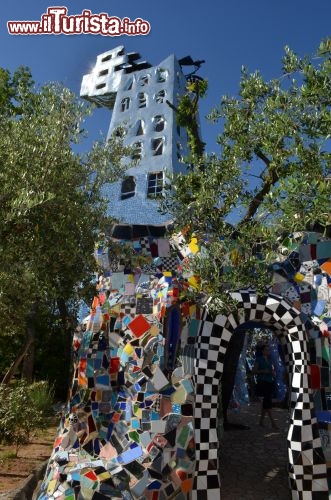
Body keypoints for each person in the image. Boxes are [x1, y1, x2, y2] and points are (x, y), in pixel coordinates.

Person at [253, 344, 278, 429]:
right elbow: (254, 371)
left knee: (266, 403)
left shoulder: (270, 360)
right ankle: (273, 422)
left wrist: (273, 374)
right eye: (266, 350)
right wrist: (263, 371)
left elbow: (272, 370)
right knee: (268, 402)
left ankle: (261, 421)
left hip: (270, 382)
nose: (268, 351)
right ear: (262, 351)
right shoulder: (259, 359)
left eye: (268, 350)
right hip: (263, 382)